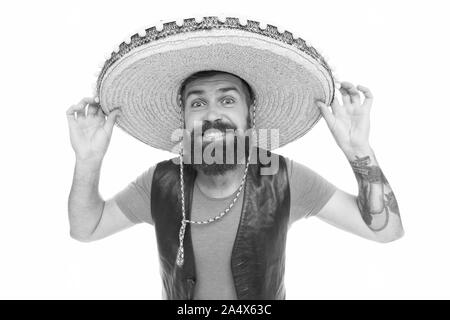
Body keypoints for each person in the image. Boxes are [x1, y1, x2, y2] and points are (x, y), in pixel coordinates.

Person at [66, 17, 404, 300]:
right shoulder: (160, 183)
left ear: (249, 118)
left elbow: (384, 232)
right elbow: (86, 229)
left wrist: (359, 151)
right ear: (184, 124)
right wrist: (88, 160)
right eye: (197, 104)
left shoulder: (284, 179)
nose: (212, 114)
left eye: (227, 101)